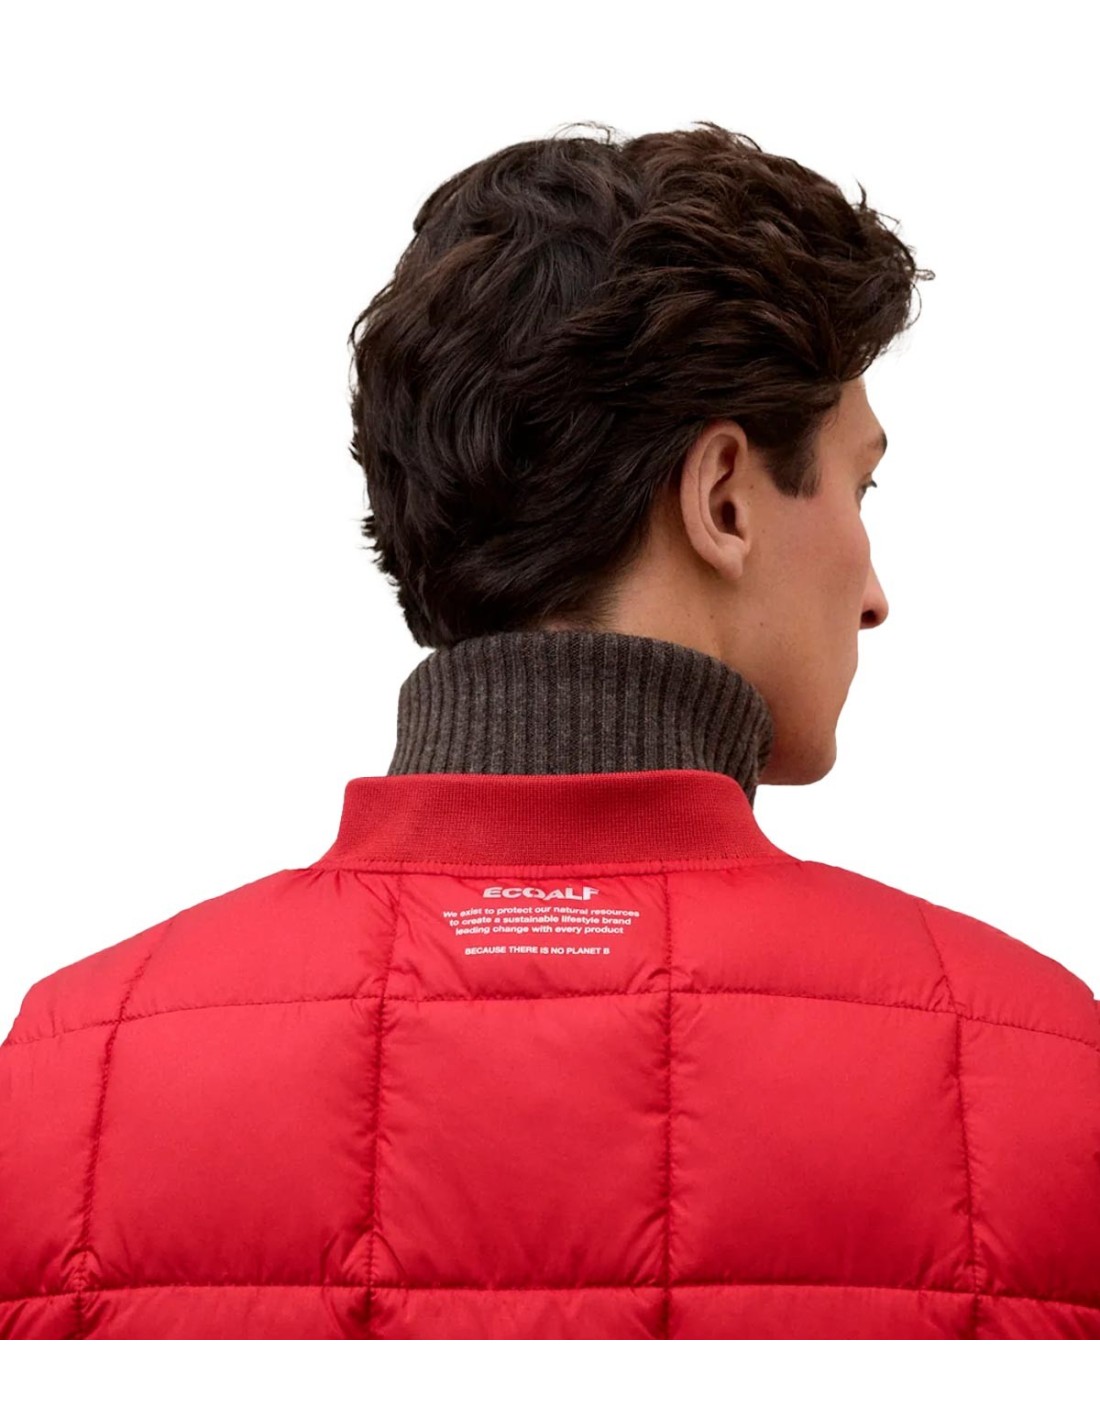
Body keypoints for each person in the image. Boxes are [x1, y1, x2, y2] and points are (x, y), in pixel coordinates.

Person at [3, 121, 1098, 1341]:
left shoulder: (60, 1073)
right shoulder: (1045, 1069)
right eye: (860, 485)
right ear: (723, 499)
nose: (873, 594)